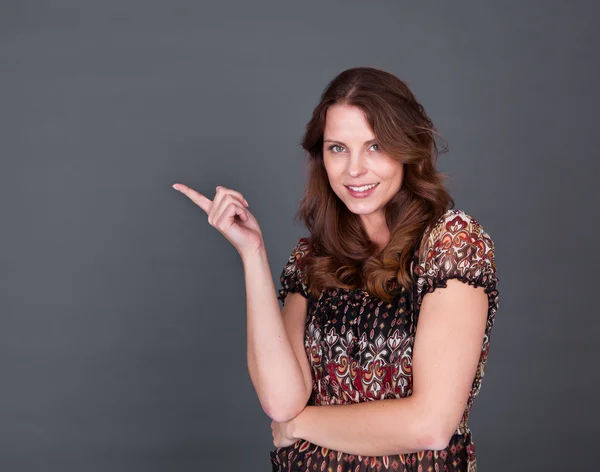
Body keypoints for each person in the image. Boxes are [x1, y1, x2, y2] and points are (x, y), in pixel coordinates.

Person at [172, 66, 499, 472]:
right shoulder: (312, 259)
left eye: (375, 146)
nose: (354, 169)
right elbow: (280, 401)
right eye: (337, 148)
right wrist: (252, 254)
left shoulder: (450, 245)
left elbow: (430, 425)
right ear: (320, 155)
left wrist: (299, 425)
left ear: (407, 148)